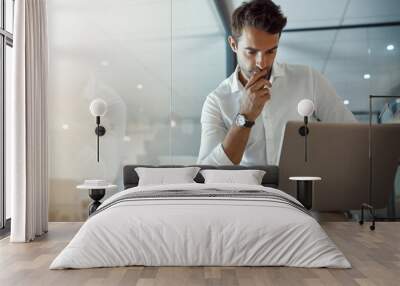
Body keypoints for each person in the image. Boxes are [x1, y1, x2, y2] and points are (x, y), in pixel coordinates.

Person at [197, 0, 356, 166]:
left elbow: (352, 136)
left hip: (301, 190)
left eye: (271, 51)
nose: (262, 63)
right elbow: (207, 172)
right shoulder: (216, 102)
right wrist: (245, 116)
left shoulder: (309, 79)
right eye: (251, 52)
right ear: (233, 44)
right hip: (248, 192)